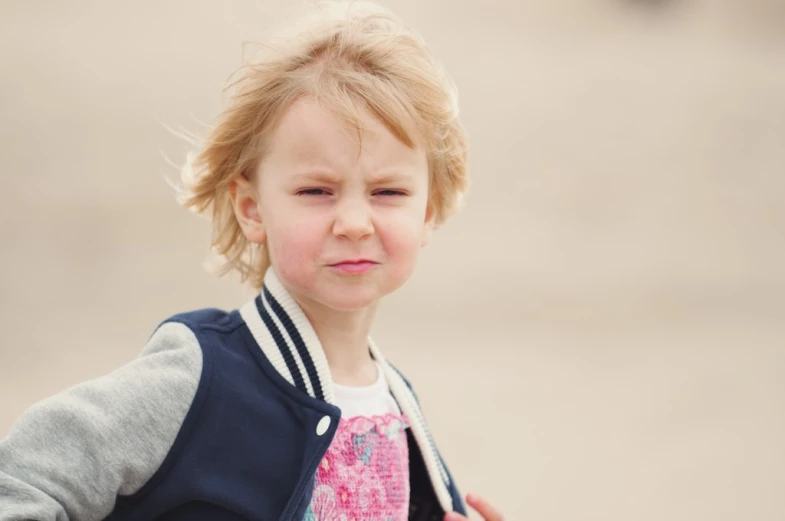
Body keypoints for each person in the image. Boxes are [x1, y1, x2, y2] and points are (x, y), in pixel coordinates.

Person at [0, 2, 504, 520]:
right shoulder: (199, 377)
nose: (354, 222)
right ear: (252, 209)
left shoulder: (397, 406)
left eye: (388, 191)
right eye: (316, 190)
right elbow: (21, 478)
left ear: (429, 211)